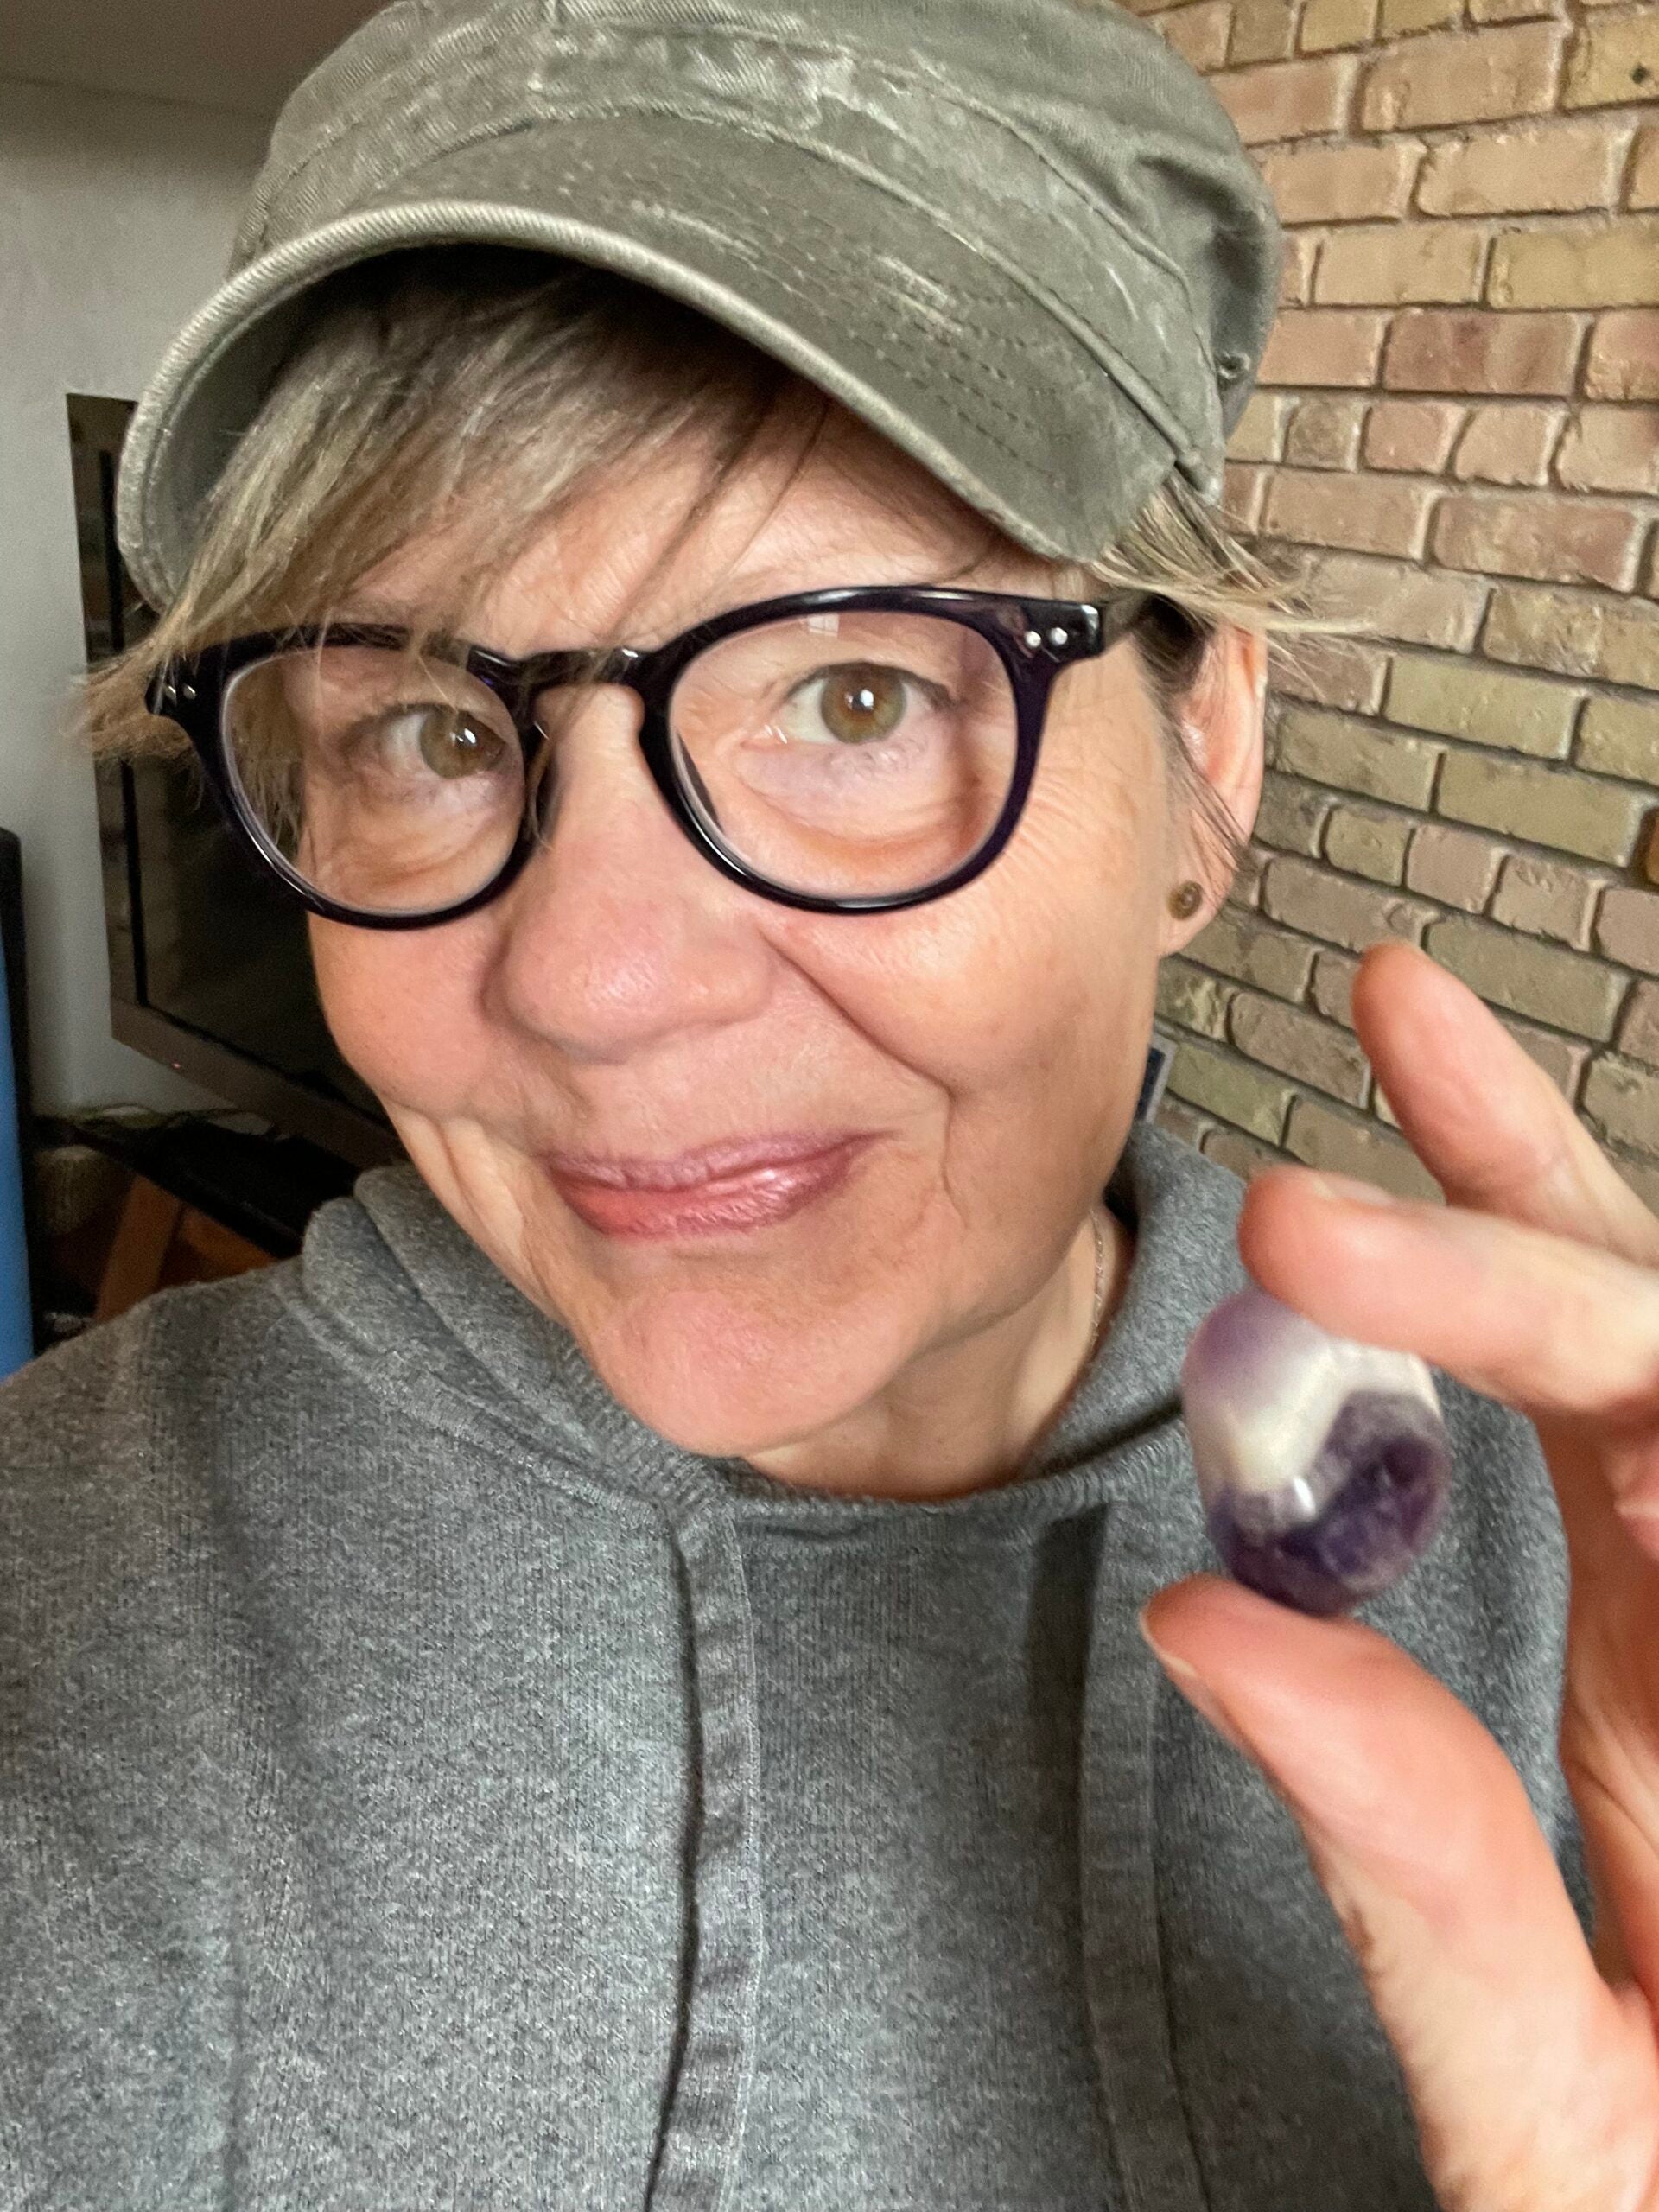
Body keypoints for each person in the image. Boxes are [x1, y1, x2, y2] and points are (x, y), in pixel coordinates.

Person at [9, 0, 1659, 2204]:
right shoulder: (75, 1606)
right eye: (429, 732)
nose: (593, 983)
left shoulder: (1580, 1592)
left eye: (857, 694)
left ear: (1207, 761)